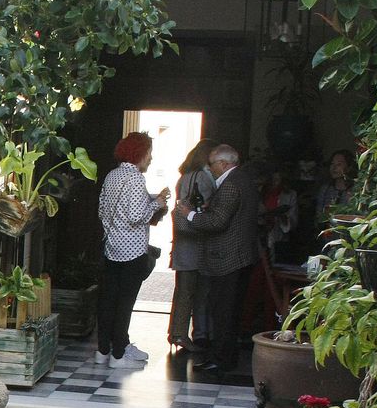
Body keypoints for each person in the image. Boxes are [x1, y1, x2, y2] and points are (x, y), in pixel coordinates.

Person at [173, 144, 260, 377]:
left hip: (229, 259)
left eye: (211, 165)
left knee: (224, 312)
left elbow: (217, 222)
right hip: (240, 257)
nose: (209, 169)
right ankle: (223, 358)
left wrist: (189, 214)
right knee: (229, 312)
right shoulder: (243, 179)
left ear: (223, 164)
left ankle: (221, 360)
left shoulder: (230, 184)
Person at [96, 131, 169, 369]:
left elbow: (102, 211)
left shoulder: (112, 175)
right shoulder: (136, 179)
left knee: (108, 300)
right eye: (149, 153)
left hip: (111, 247)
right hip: (133, 251)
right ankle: (119, 355)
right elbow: (136, 216)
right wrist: (157, 204)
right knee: (125, 303)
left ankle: (103, 350)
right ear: (140, 154)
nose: (151, 158)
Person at [168, 138, 216, 352]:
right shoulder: (203, 178)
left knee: (182, 291)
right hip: (195, 244)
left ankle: (176, 332)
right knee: (191, 293)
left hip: (182, 245)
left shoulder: (184, 177)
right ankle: (181, 334)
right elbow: (204, 210)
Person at [314, 149, 357, 227]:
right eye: (332, 164)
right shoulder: (325, 189)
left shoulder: (356, 190)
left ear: (349, 167)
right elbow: (319, 215)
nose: (334, 168)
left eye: (339, 164)